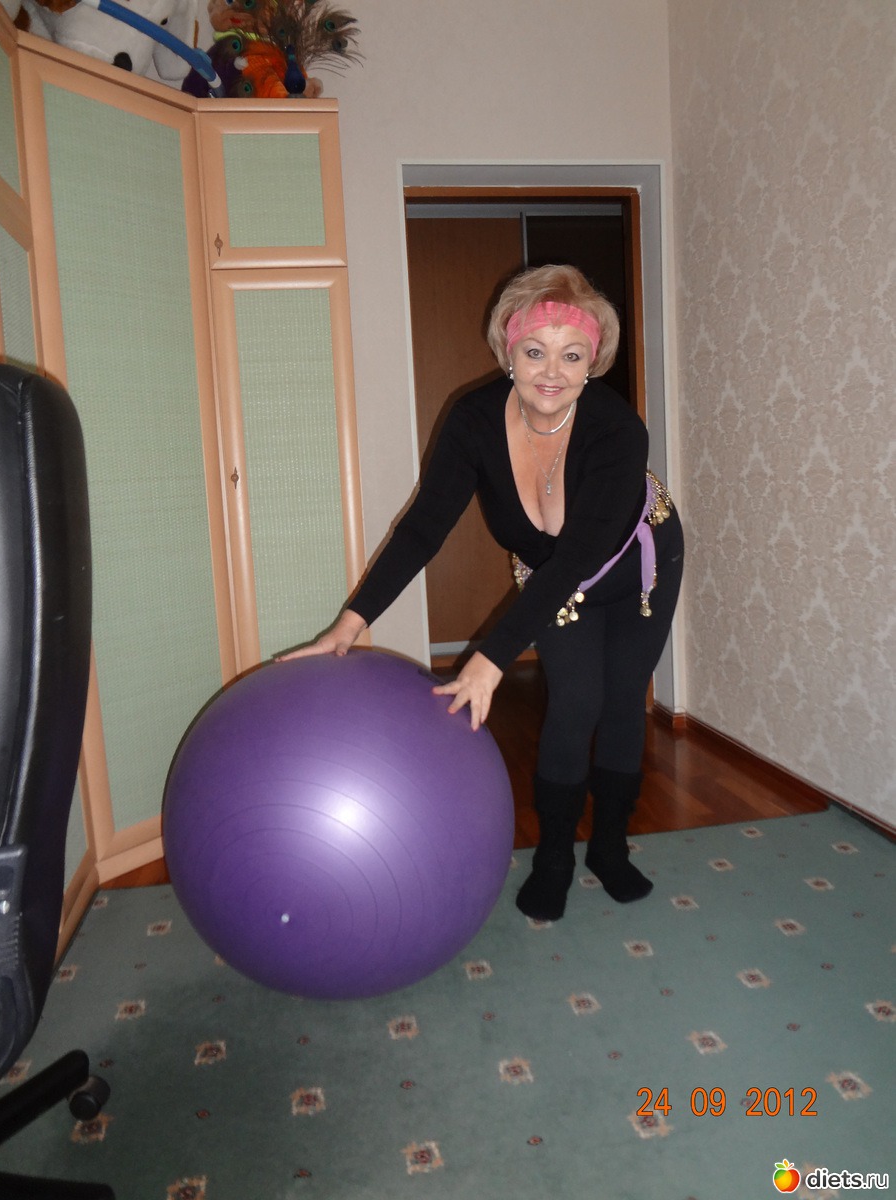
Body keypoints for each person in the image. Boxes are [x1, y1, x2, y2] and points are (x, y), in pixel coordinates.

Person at [279, 264, 684, 923]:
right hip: (556, 580)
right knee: (575, 703)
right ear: (507, 350)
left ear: (593, 362)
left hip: (640, 566)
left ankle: (610, 848)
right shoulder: (473, 421)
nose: (551, 372)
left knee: (621, 704)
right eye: (535, 351)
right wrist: (349, 624)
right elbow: (422, 529)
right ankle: (554, 859)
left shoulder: (616, 429)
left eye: (572, 355)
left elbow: (578, 555)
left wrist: (491, 659)